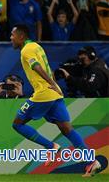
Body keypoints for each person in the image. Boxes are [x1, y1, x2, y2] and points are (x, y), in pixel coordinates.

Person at [9, 24, 100, 176]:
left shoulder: (26, 50)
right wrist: (54, 84)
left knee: (17, 124)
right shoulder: (36, 46)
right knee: (67, 129)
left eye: (12, 35)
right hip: (54, 94)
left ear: (21, 36)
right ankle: (92, 161)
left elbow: (37, 66)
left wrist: (51, 83)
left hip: (44, 93)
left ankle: (50, 146)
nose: (10, 38)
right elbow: (47, 67)